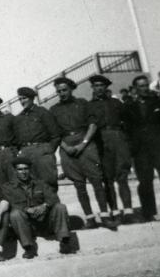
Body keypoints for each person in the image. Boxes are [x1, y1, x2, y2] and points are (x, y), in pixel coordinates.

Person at [50, 77, 117, 230]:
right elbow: (53, 132)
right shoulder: (54, 110)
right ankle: (90, 218)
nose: (62, 93)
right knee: (79, 185)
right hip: (67, 145)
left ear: (71, 89)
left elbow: (93, 125)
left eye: (64, 90)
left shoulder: (82, 103)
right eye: (59, 91)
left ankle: (105, 216)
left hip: (85, 143)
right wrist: (65, 147)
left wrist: (84, 143)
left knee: (96, 181)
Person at [123, 75, 160, 222]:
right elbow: (126, 129)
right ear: (135, 89)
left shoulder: (159, 102)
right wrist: (132, 146)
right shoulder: (129, 106)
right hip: (141, 151)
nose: (145, 88)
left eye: (146, 85)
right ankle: (149, 213)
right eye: (141, 86)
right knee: (145, 182)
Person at [2, 157, 75, 259]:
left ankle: (64, 242)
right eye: (20, 169)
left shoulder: (40, 183)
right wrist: (26, 209)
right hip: (27, 225)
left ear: (30, 170)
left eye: (26, 169)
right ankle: (28, 248)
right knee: (15, 213)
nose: (23, 172)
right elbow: (11, 203)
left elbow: (54, 198)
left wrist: (45, 205)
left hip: (45, 222)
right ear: (15, 171)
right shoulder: (8, 187)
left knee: (60, 207)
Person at [88, 75, 135, 224]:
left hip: (118, 138)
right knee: (107, 178)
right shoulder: (89, 106)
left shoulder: (116, 103)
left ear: (106, 87)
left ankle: (128, 211)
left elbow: (128, 121)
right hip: (101, 140)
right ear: (92, 88)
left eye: (101, 85)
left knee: (122, 175)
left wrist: (125, 139)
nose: (99, 88)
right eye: (96, 85)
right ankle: (114, 211)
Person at [13, 87, 61, 191]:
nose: (22, 102)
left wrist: (48, 151)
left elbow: (55, 135)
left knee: (49, 183)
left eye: (24, 98)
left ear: (32, 98)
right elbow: (16, 139)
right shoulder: (18, 118)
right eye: (20, 99)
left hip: (42, 150)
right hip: (26, 152)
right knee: (32, 185)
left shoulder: (42, 112)